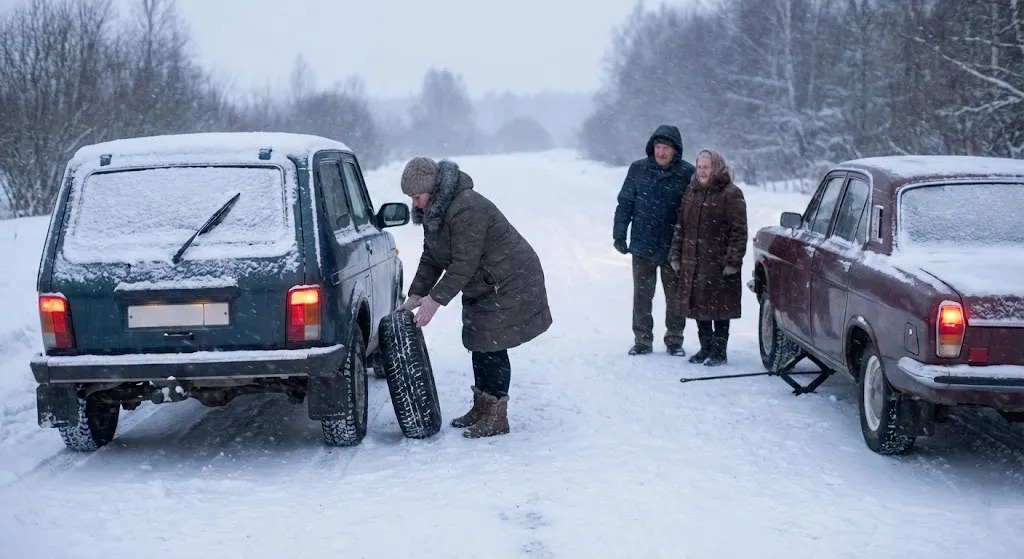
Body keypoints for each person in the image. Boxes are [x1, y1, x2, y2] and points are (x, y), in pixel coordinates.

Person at [397, 156, 552, 438]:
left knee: (493, 342)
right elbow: (432, 257)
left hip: (509, 279)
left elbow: (463, 264)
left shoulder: (466, 207)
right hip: (482, 281)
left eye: (417, 197)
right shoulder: (434, 212)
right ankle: (482, 407)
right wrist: (416, 295)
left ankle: (497, 416)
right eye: (411, 198)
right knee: (478, 340)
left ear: (432, 190)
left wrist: (434, 302)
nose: (414, 204)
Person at [612, 124, 695, 356]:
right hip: (642, 244)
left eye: (666, 148)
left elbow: (694, 210)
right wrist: (619, 233)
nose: (661, 152)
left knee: (676, 297)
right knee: (642, 296)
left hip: (674, 246)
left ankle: (675, 339)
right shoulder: (637, 169)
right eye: (658, 147)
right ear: (652, 148)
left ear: (675, 151)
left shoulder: (687, 173)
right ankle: (642, 339)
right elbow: (625, 203)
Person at [668, 148, 748, 366]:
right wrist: (675, 254)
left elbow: (738, 231)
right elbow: (680, 227)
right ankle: (705, 349)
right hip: (693, 261)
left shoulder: (731, 193)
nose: (702, 171)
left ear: (717, 167)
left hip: (719, 264)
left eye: (707, 167)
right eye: (700, 167)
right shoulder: (691, 192)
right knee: (699, 308)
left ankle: (719, 352)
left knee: (719, 309)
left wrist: (733, 261)